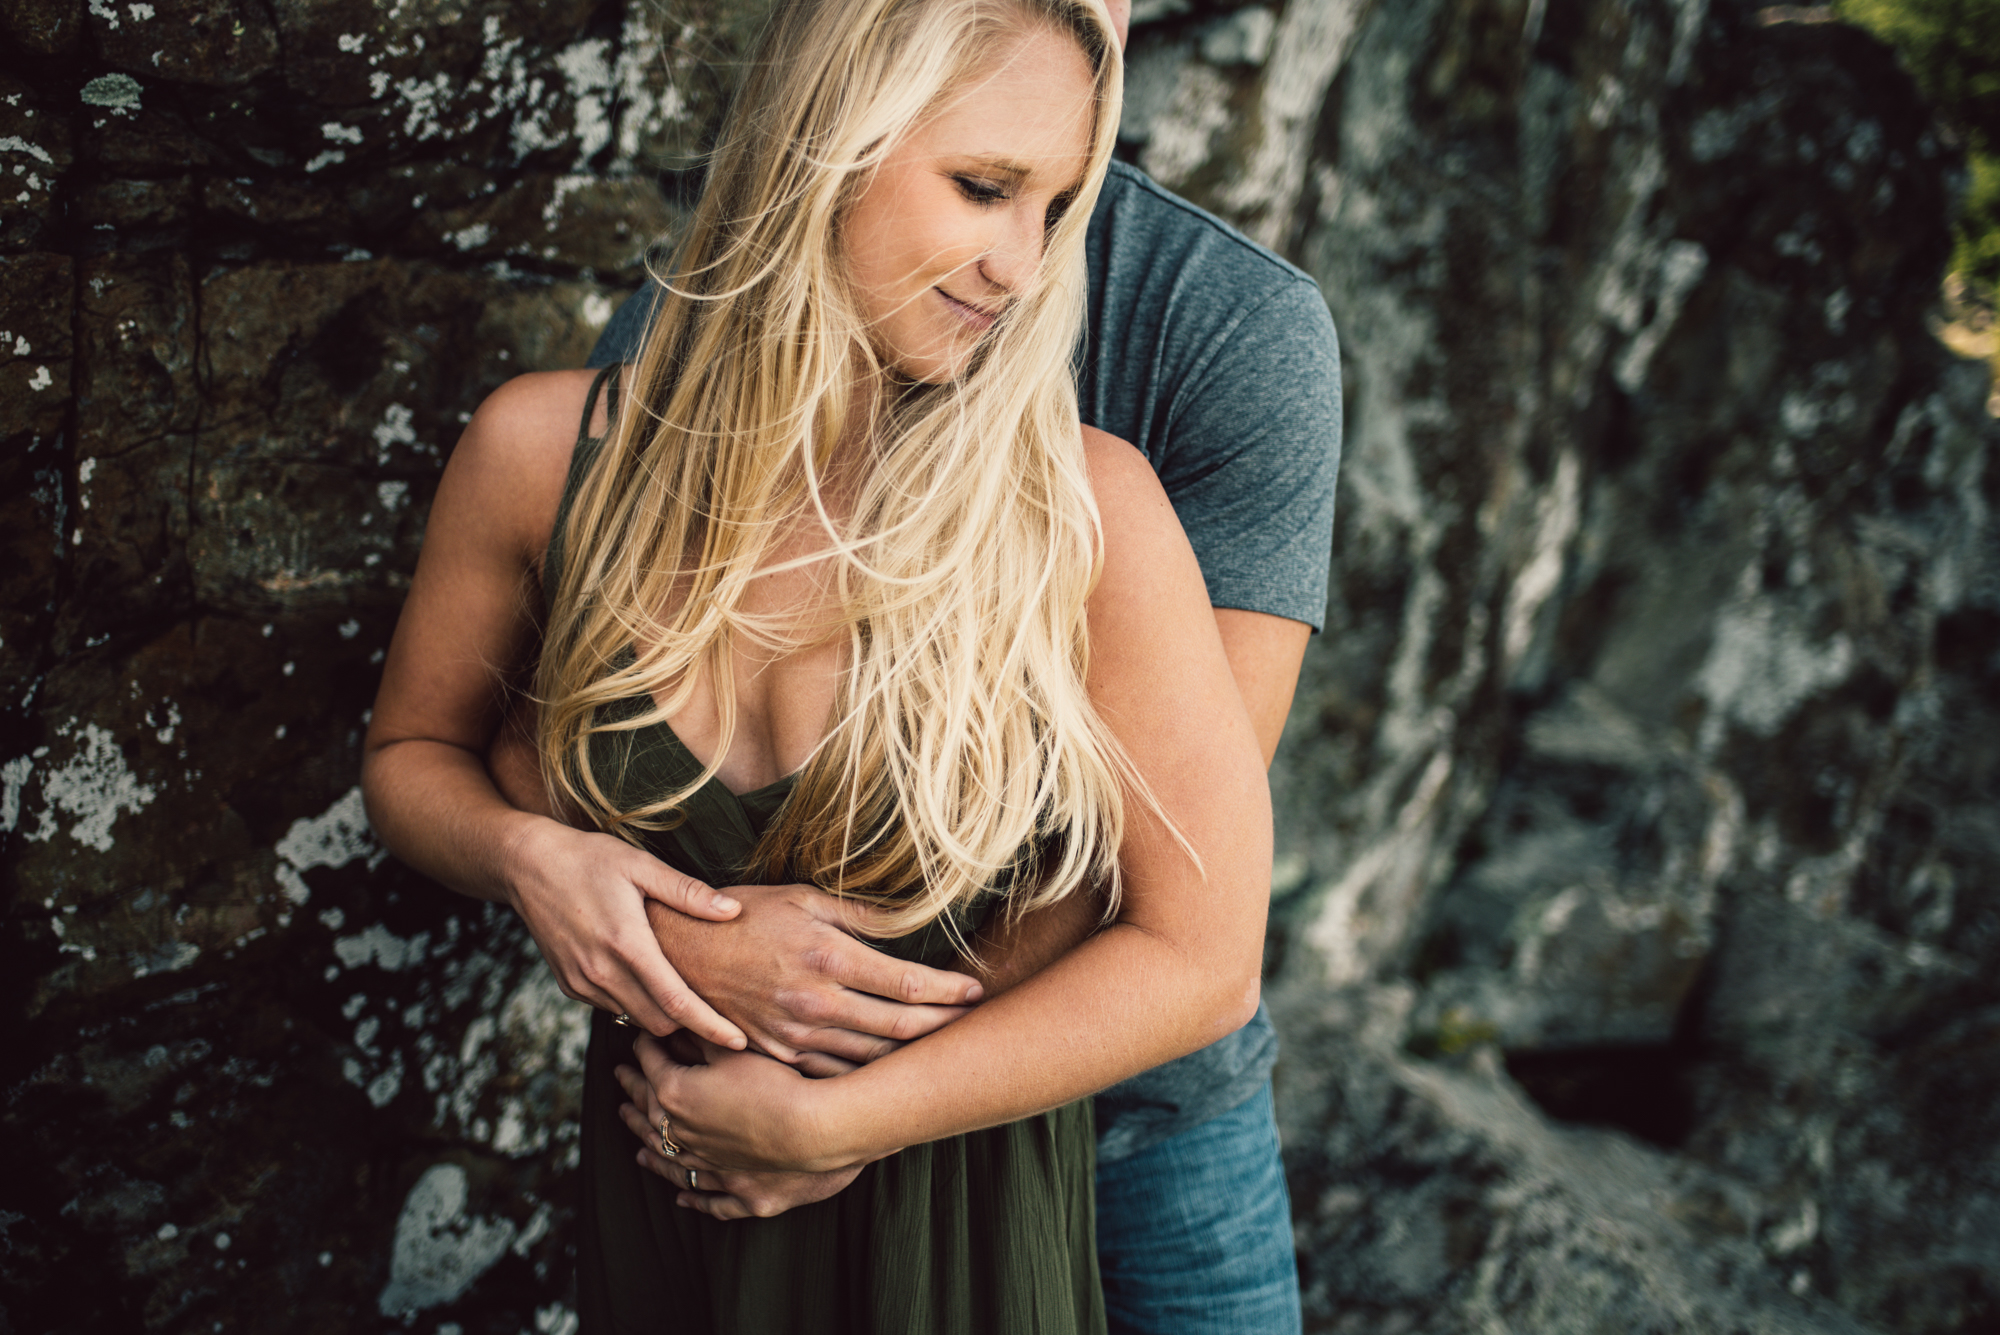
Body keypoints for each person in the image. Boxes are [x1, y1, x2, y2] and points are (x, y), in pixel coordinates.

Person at [361, 0, 1284, 1328]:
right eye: (984, 189)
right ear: (827, 139)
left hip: (953, 1230)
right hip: (666, 1206)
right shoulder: (542, 457)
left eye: (1055, 210)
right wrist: (530, 859)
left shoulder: (1080, 512)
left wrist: (843, 1120)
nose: (1021, 267)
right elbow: (411, 759)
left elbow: (1203, 959)